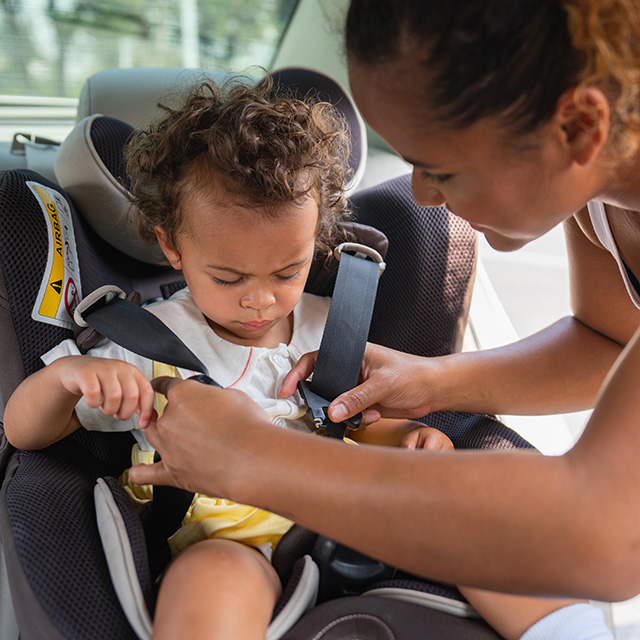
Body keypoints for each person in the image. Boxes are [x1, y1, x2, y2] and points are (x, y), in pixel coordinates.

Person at [117, 0, 640, 634]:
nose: (419, 194)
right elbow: (611, 342)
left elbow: (610, 537)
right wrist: (431, 380)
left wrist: (254, 456)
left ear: (580, 128)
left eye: (440, 167)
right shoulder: (601, 202)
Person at [2, 78, 579, 640]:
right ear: (173, 246)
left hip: (354, 506)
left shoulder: (333, 324)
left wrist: (408, 440)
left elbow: (354, 423)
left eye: (288, 272)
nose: (260, 299)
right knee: (212, 579)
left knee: (474, 521)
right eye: (227, 278)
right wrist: (69, 379)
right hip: (229, 537)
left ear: (316, 244)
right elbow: (23, 431)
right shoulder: (144, 340)